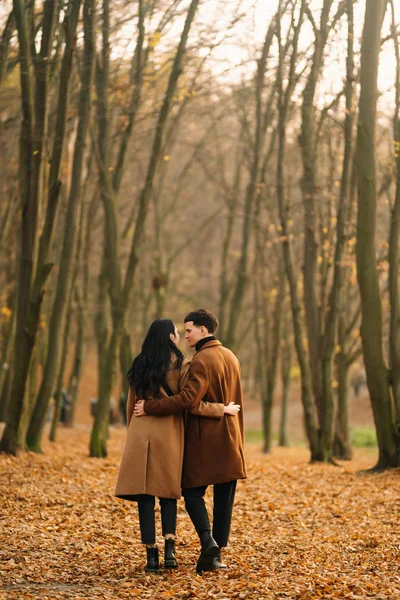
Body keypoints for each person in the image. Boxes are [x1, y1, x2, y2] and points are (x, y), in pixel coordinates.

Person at [115, 318, 240, 573]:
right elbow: (189, 402)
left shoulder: (139, 364)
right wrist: (221, 409)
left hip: (140, 431)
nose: (183, 336)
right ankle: (171, 553)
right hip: (169, 433)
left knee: (144, 496)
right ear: (170, 338)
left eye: (187, 331)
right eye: (178, 333)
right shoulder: (183, 365)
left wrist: (133, 430)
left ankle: (151, 555)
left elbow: (131, 404)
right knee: (168, 493)